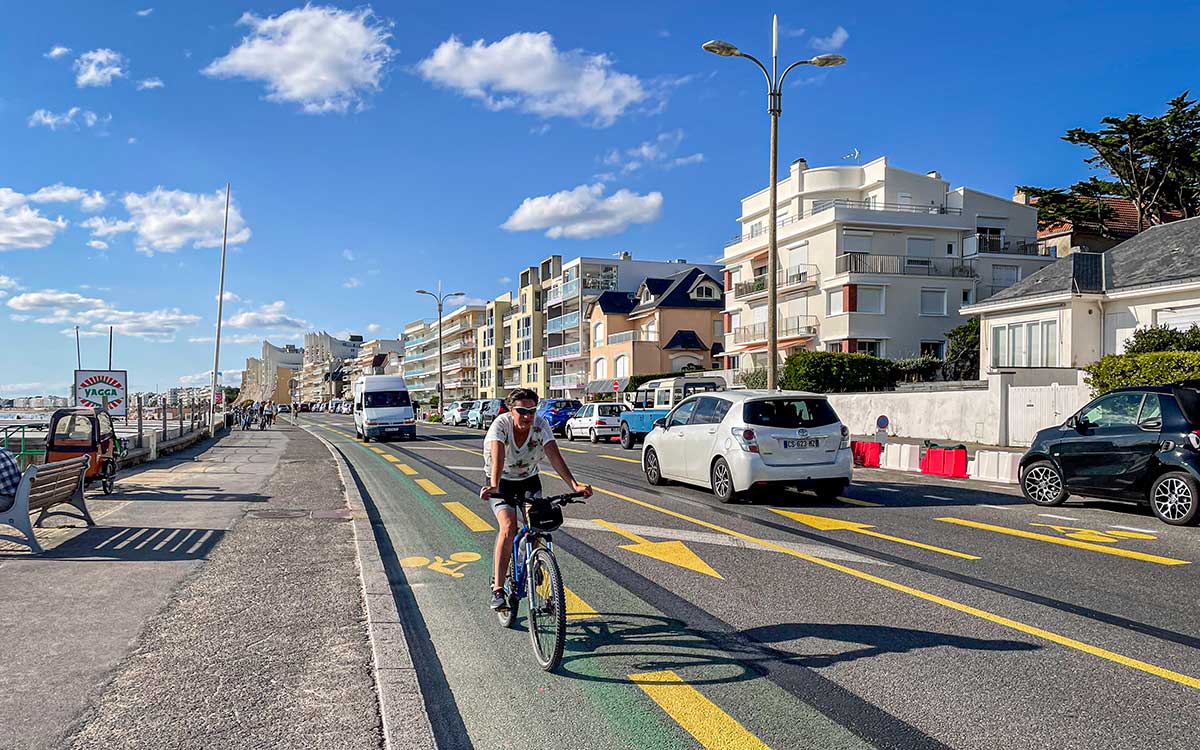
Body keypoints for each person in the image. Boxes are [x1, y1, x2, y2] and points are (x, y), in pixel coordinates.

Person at [479, 388, 591, 611]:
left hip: (529, 479)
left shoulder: (540, 425)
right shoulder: (501, 425)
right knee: (508, 527)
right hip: (501, 481)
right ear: (511, 410)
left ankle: (531, 561)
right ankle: (498, 589)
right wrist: (492, 485)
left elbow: (554, 455)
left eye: (532, 410)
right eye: (522, 411)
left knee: (537, 523)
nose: (528, 416)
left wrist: (574, 485)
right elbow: (498, 455)